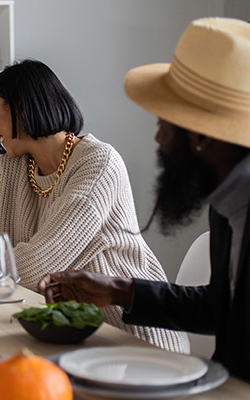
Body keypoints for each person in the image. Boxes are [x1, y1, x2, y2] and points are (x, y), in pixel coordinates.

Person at [38, 17, 250, 381]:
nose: (158, 141)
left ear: (201, 137)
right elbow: (221, 309)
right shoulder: (225, 204)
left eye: (162, 126)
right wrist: (118, 290)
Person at [0, 59, 189, 352]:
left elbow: (38, 265)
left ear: (21, 108)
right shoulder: (11, 168)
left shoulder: (98, 164)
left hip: (132, 338)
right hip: (67, 335)